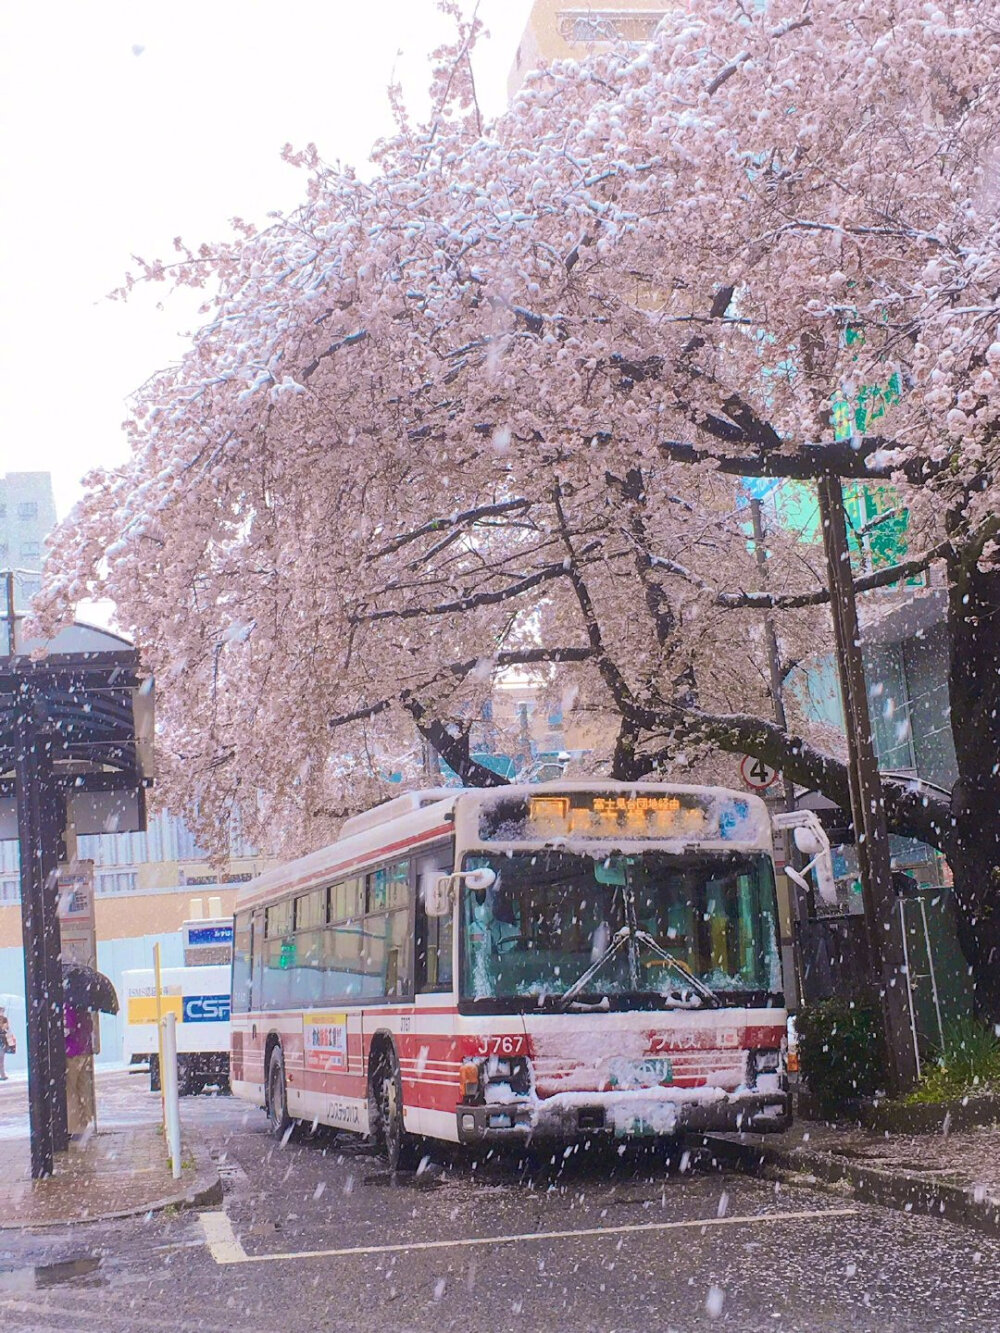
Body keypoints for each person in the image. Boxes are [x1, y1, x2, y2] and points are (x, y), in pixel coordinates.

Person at [64, 1004, 96, 1134]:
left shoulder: (68, 1006)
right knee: (84, 1089)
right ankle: (86, 1121)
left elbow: (67, 1029)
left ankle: (74, 1128)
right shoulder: (84, 1008)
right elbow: (90, 1027)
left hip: (72, 1053)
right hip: (85, 1051)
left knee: (71, 1090)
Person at [0, 1005, 13, 1080]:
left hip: (2, 1041)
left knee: (1, 1059)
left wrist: (5, 1026)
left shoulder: (4, 1019)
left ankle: (2, 1074)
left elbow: (6, 1029)